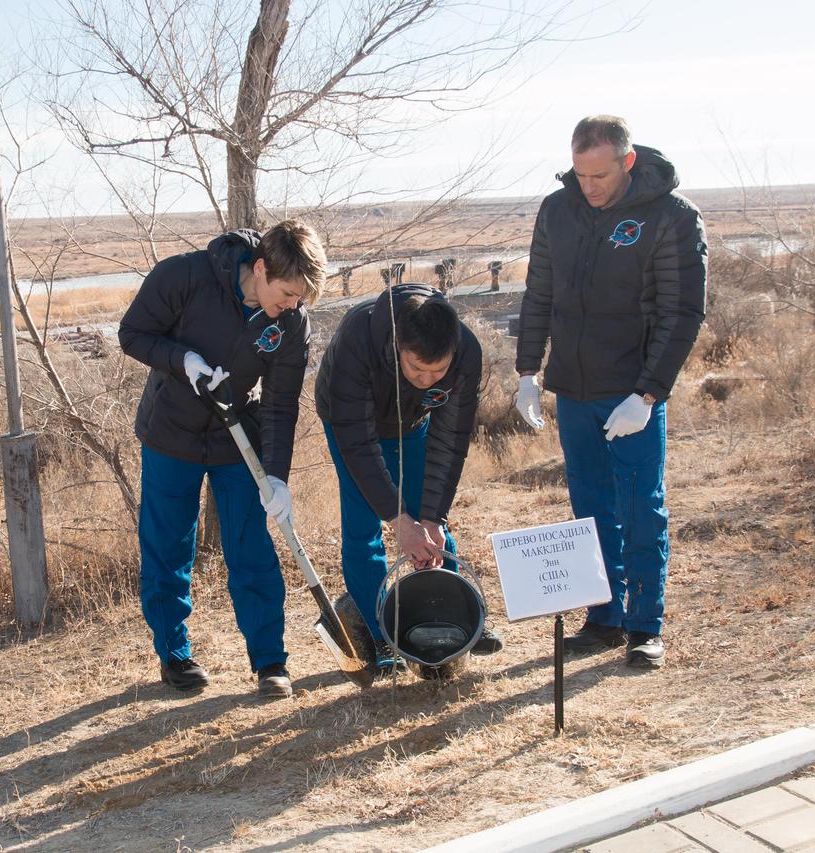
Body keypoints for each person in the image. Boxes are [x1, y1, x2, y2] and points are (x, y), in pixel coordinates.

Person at [514, 115, 707, 670]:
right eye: (579, 174)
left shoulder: (671, 215)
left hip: (631, 394)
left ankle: (645, 626)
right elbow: (539, 293)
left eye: (599, 175)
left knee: (640, 508)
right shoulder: (558, 209)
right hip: (574, 389)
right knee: (591, 509)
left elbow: (682, 313)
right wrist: (529, 371)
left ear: (626, 162)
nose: (588, 187)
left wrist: (647, 395)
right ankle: (604, 617)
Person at [118, 220, 326, 697]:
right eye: (288, 293)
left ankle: (270, 661)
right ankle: (175, 655)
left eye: (301, 298)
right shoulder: (185, 277)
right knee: (168, 548)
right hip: (171, 434)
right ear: (259, 268)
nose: (292, 306)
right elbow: (132, 334)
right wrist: (183, 360)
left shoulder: (290, 323)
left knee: (250, 547)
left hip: (239, 438)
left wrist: (277, 477)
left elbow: (280, 404)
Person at [316, 284, 503, 673]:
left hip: (413, 421)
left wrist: (430, 518)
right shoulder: (358, 337)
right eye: (417, 368)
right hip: (348, 422)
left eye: (438, 371)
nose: (427, 379)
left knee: (431, 517)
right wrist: (398, 520)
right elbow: (360, 446)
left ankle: (457, 617)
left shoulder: (467, 354)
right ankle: (379, 633)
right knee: (363, 523)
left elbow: (450, 442)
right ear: (398, 345)